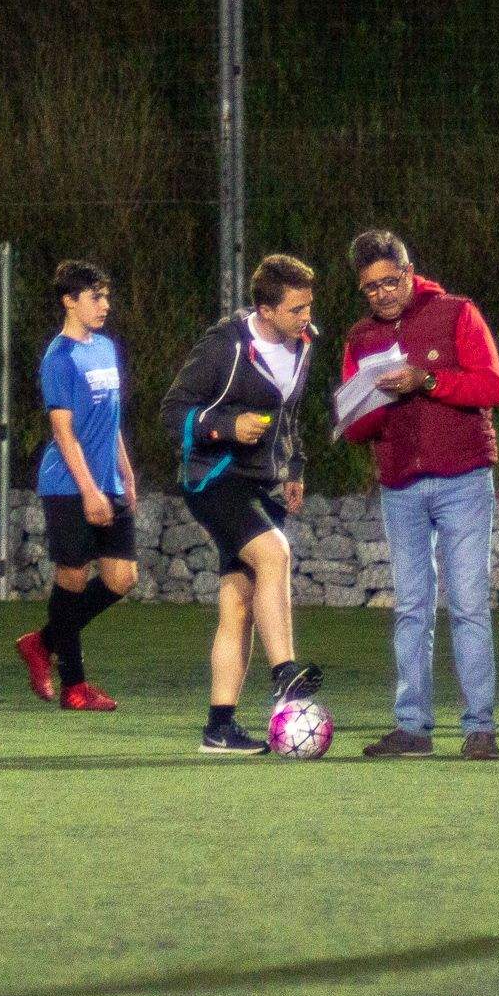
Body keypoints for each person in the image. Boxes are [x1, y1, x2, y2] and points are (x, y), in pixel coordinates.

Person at [340, 230, 499, 760]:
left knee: (467, 603)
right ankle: (413, 727)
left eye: (392, 281)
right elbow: (355, 427)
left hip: (463, 476)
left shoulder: (457, 313)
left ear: (411, 272)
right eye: (372, 288)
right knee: (411, 607)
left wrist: (425, 381)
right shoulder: (360, 338)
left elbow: (492, 387)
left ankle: (479, 727)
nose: (384, 294)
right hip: (399, 483)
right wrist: (366, 406)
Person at [160, 253, 323, 755]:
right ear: (266, 310)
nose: (306, 318)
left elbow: (289, 415)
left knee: (238, 602)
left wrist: (294, 469)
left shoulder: (304, 343)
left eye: (308, 307)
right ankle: (285, 673)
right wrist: (225, 427)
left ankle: (220, 726)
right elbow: (172, 412)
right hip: (215, 479)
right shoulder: (224, 347)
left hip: (262, 484)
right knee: (274, 554)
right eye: (296, 309)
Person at [14, 260, 138, 711]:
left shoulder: (105, 348)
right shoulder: (59, 359)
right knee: (72, 578)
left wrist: (124, 470)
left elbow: (111, 416)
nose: (104, 305)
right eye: (95, 297)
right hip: (67, 486)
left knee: (122, 579)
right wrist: (89, 490)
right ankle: (75, 687)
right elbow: (64, 433)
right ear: (70, 300)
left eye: (106, 296)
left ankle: (41, 642)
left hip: (107, 481)